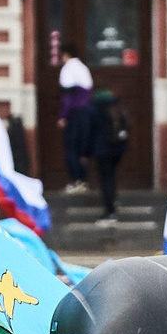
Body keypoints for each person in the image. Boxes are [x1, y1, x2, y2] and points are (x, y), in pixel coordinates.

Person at [88, 87, 128, 227]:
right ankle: (112, 201)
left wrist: (85, 152)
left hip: (102, 151)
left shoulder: (94, 109)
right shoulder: (117, 108)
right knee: (110, 177)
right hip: (117, 150)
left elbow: (89, 130)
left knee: (106, 180)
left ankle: (110, 211)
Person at [58, 58, 95, 193]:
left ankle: (77, 180)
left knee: (71, 148)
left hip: (74, 115)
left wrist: (63, 115)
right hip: (86, 112)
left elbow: (67, 99)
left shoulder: (68, 70)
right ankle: (83, 180)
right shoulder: (83, 68)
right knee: (82, 147)